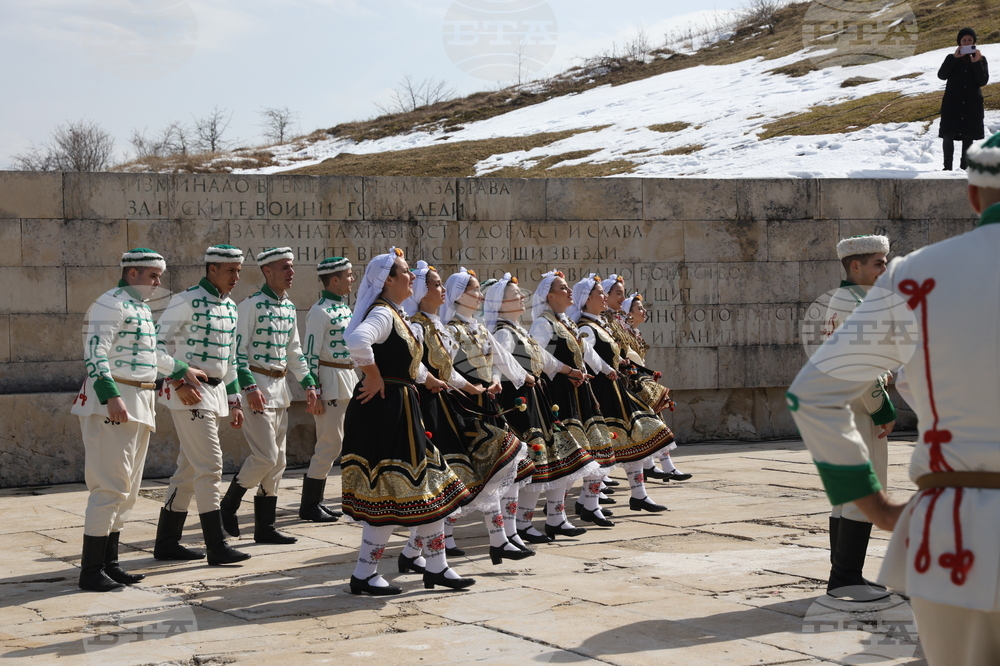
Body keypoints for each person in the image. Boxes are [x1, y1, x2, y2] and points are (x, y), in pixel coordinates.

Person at [787, 132, 1000, 665]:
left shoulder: (914, 276)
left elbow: (814, 392)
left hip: (959, 526)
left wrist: (876, 504)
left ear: (973, 194)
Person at [341, 248, 475, 595]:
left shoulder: (397, 315)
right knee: (390, 493)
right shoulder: (384, 313)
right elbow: (356, 340)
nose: (411, 277)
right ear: (387, 280)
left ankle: (436, 567)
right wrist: (371, 375)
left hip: (399, 408)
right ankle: (365, 573)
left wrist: (428, 378)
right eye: (404, 272)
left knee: (425, 489)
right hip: (384, 412)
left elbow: (407, 362)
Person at [72, 248, 206, 591]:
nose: (158, 282)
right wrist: (110, 396)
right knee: (110, 486)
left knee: (128, 491)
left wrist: (181, 368)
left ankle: (109, 563)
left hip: (139, 402)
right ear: (132, 274)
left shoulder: (140, 309)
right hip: (115, 402)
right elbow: (94, 351)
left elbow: (150, 355)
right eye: (152, 276)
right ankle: (90, 572)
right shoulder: (110, 303)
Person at [153, 244, 251, 566]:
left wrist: (235, 400)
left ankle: (166, 543)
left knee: (189, 470)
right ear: (212, 269)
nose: (237, 277)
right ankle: (217, 545)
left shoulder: (231, 307)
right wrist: (178, 380)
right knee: (210, 466)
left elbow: (231, 360)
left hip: (216, 393)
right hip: (189, 392)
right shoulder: (185, 300)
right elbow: (153, 344)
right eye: (230, 271)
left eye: (238, 270)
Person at [485, 274, 601, 538]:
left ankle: (540, 521)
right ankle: (520, 527)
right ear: (501, 303)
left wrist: (569, 370)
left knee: (545, 462)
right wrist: (509, 379)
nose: (522, 298)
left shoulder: (518, 330)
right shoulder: (504, 332)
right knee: (527, 466)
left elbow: (544, 358)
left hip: (533, 399)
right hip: (518, 404)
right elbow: (496, 363)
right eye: (515, 295)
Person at [221, 247, 319, 544]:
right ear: (267, 271)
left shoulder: (288, 307)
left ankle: (265, 527)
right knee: (265, 455)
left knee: (277, 463)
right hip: (257, 386)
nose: (291, 273)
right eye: (285, 267)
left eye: (291, 267)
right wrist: (248, 388)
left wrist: (309, 383)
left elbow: (294, 352)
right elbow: (235, 352)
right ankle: (230, 503)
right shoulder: (250, 306)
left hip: (280, 390)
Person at [440, 267, 535, 563]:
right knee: (467, 473)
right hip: (462, 407)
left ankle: (503, 537)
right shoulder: (450, 329)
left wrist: (506, 378)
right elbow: (443, 367)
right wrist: (470, 386)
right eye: (475, 290)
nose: (481, 295)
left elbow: (498, 357)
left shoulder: (479, 327)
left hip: (486, 404)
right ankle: (445, 536)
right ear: (459, 296)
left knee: (503, 467)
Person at [822, 235, 897, 601]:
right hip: (858, 408)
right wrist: (883, 409)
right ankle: (846, 578)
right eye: (878, 263)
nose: (885, 269)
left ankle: (843, 575)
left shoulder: (842, 302)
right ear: (856, 266)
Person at [570, 274, 674, 515]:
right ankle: (586, 502)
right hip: (601, 393)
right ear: (587, 299)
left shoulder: (597, 325)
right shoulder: (585, 327)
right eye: (600, 294)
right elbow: (585, 358)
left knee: (632, 440)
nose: (605, 297)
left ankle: (636, 495)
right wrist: (608, 369)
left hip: (614, 389)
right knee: (604, 448)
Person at [527, 270, 616, 539]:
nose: (568, 292)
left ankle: (578, 508)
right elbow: (537, 355)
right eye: (562, 288)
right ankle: (555, 516)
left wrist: (604, 369)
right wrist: (567, 371)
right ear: (549, 295)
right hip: (559, 396)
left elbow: (585, 351)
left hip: (578, 391)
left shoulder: (565, 323)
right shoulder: (543, 323)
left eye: (568, 288)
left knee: (592, 450)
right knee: (567, 457)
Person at [300, 257, 358, 523]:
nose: (352, 280)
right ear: (334, 279)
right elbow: (309, 353)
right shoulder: (319, 311)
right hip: (330, 381)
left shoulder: (346, 309)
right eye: (348, 275)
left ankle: (320, 502)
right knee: (328, 445)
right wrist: (314, 391)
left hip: (347, 378)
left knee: (340, 445)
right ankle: (310, 505)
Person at [938, 27, 989, 171]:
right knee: (948, 135)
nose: (967, 42)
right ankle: (947, 167)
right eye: (964, 40)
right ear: (959, 42)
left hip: (971, 105)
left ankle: (964, 168)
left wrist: (976, 63)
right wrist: (954, 59)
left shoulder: (981, 60)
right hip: (952, 104)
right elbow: (942, 75)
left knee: (968, 136)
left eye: (970, 40)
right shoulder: (951, 58)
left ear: (974, 42)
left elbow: (982, 81)